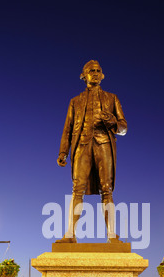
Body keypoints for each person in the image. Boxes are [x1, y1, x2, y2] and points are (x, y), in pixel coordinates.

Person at [56, 60, 127, 243]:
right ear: (84, 75)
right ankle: (70, 234)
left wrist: (113, 122)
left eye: (98, 71)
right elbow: (67, 128)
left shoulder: (112, 98)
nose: (95, 73)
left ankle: (112, 235)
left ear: (102, 75)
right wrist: (63, 151)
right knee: (77, 189)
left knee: (107, 190)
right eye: (91, 71)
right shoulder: (75, 101)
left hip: (104, 144)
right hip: (81, 145)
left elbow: (124, 127)